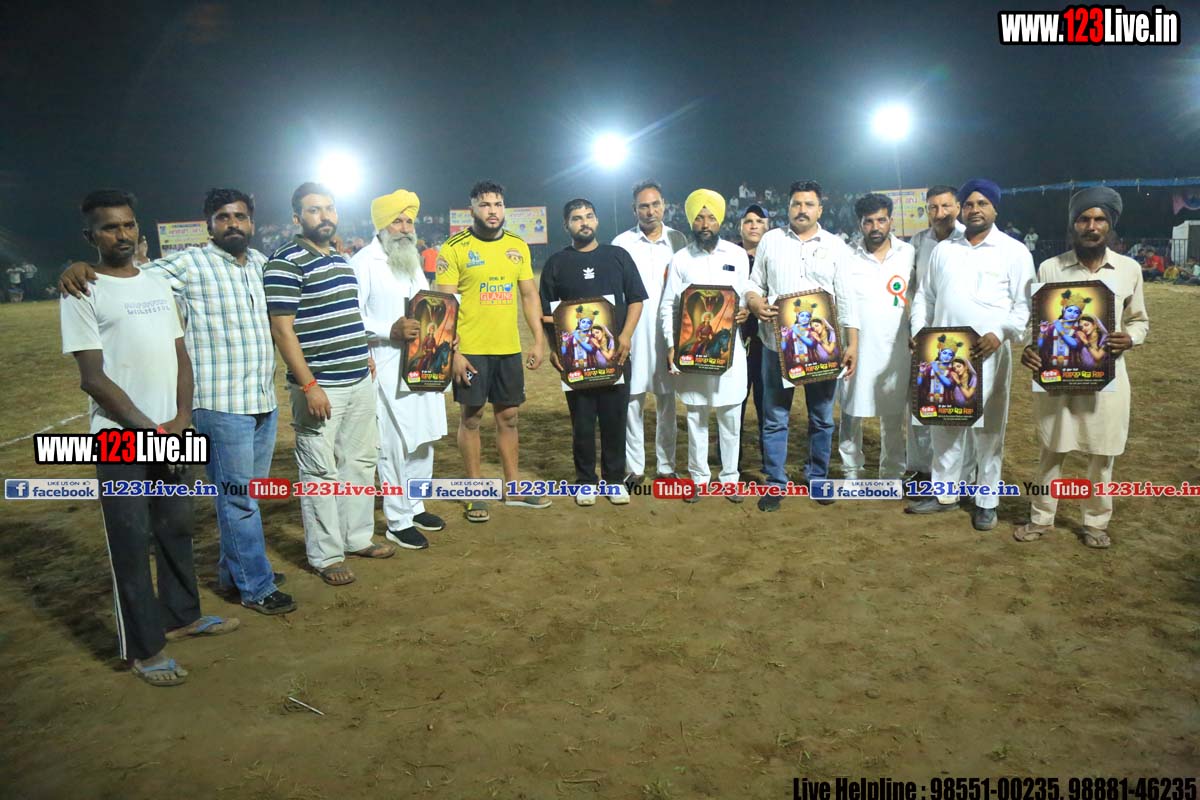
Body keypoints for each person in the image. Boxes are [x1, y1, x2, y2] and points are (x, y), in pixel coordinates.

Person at [60, 188, 295, 615]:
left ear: (252, 223)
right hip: (219, 402)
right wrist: (78, 268)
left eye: (240, 216)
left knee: (247, 495)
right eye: (223, 217)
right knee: (238, 498)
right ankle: (256, 586)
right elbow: (124, 275)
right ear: (209, 225)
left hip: (263, 398)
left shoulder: (262, 264)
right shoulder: (189, 263)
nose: (233, 224)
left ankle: (235, 573)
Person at [61, 190, 239, 687]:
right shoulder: (81, 289)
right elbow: (92, 378)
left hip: (171, 427)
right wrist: (151, 430)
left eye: (128, 225)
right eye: (110, 227)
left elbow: (181, 356)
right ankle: (143, 648)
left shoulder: (157, 282)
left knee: (176, 527)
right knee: (131, 540)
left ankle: (182, 615)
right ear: (90, 236)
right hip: (120, 437)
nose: (122, 234)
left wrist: (181, 418)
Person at [265, 182, 394, 586]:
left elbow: (349, 315)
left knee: (360, 462)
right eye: (314, 210)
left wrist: (364, 353)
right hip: (321, 386)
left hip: (357, 379)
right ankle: (326, 555)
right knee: (320, 470)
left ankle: (356, 537)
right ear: (297, 218)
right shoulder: (285, 261)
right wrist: (309, 386)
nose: (324, 216)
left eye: (329, 208)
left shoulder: (340, 259)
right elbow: (282, 330)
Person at [1016, 188, 1149, 549]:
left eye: (1099, 219)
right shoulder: (1050, 267)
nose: (1091, 226)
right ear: (1073, 224)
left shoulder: (1128, 269)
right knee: (1051, 450)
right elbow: (1038, 323)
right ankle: (1041, 518)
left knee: (1102, 454)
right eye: (1084, 219)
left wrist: (1130, 338)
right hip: (1059, 378)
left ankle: (1095, 522)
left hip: (1107, 377)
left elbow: (1139, 320)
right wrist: (1031, 349)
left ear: (1110, 225)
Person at [907, 179, 1035, 531]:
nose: (975, 209)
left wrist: (1001, 333)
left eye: (982, 203)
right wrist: (919, 332)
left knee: (989, 430)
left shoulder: (1013, 251)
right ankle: (945, 493)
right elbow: (925, 296)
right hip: (943, 354)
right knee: (945, 424)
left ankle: (986, 501)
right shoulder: (944, 251)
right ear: (962, 210)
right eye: (969, 204)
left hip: (988, 352)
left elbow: (1024, 306)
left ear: (995, 208)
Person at [434, 181, 549, 522]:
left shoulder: (517, 246)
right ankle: (474, 492)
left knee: (509, 418)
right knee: (471, 419)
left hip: (507, 349)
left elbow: (528, 295)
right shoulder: (454, 248)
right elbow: (445, 305)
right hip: (470, 351)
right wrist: (454, 354)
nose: (493, 210)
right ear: (472, 209)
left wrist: (538, 339)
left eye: (498, 204)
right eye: (485, 205)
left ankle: (513, 488)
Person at [743, 180, 859, 511]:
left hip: (822, 347)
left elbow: (846, 298)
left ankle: (817, 477)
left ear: (820, 209)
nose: (802, 210)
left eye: (809, 204)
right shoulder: (771, 240)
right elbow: (754, 282)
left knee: (821, 417)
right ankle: (775, 482)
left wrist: (852, 343)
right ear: (788, 208)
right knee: (775, 416)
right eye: (796, 204)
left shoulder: (836, 246)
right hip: (776, 344)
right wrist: (754, 301)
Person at [350, 188, 448, 550]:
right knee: (393, 445)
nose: (405, 228)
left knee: (423, 438)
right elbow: (350, 318)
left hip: (423, 364)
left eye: (409, 221)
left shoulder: (412, 262)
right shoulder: (363, 263)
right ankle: (397, 519)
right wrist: (385, 331)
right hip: (386, 367)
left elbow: (428, 308)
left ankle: (416, 505)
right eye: (397, 221)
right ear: (381, 225)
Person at [540, 199, 647, 505]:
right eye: (576, 218)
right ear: (566, 225)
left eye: (588, 216)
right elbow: (547, 314)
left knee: (615, 420)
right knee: (583, 423)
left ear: (597, 220)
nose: (584, 222)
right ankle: (586, 481)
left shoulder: (618, 256)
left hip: (614, 354)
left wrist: (625, 336)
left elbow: (636, 299)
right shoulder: (556, 264)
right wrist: (554, 348)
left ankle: (614, 479)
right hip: (575, 359)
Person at [661, 189, 757, 502]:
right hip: (693, 349)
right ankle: (699, 480)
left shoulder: (736, 255)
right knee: (696, 416)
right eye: (699, 218)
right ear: (691, 221)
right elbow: (668, 305)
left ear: (721, 220)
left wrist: (745, 309)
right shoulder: (680, 259)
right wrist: (671, 344)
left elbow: (745, 293)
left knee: (730, 416)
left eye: (711, 217)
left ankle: (730, 480)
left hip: (729, 350)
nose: (705, 224)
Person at [613, 181, 688, 485]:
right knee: (632, 398)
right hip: (633, 331)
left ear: (664, 205)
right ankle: (635, 467)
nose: (650, 211)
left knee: (667, 400)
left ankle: (666, 466)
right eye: (643, 206)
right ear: (634, 209)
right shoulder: (621, 243)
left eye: (655, 204)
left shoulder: (678, 240)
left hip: (668, 332)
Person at [837, 193, 915, 480]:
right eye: (868, 222)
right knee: (851, 411)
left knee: (893, 413)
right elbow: (844, 303)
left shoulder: (908, 253)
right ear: (860, 224)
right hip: (855, 346)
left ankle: (892, 471)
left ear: (891, 220)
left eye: (881, 220)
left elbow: (916, 297)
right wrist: (851, 343)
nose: (875, 227)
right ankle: (851, 469)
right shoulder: (846, 255)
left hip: (896, 347)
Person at [906, 185, 964, 483]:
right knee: (920, 402)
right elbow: (914, 289)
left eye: (946, 206)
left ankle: (962, 475)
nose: (940, 213)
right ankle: (921, 468)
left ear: (958, 207)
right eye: (933, 207)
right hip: (924, 333)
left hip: (961, 338)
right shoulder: (918, 242)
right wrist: (916, 328)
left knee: (959, 404)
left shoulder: (969, 239)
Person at [734, 204, 768, 472]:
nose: (754, 225)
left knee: (767, 403)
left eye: (759, 221)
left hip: (767, 340)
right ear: (740, 227)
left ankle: (770, 460)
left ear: (767, 227)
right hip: (736, 338)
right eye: (748, 221)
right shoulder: (729, 255)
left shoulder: (774, 255)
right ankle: (731, 459)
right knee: (735, 401)